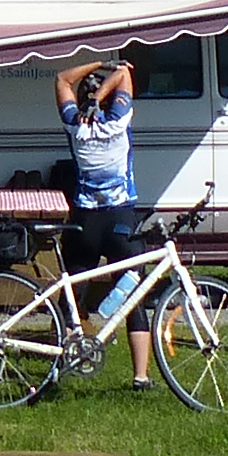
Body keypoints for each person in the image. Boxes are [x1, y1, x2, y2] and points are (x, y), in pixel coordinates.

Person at [56, 53, 154, 382]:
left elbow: (62, 79)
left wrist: (94, 65)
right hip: (121, 220)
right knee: (132, 296)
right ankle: (140, 376)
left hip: (85, 220)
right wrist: (110, 72)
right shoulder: (118, 121)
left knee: (73, 292)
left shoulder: (74, 124)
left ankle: (66, 362)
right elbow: (125, 73)